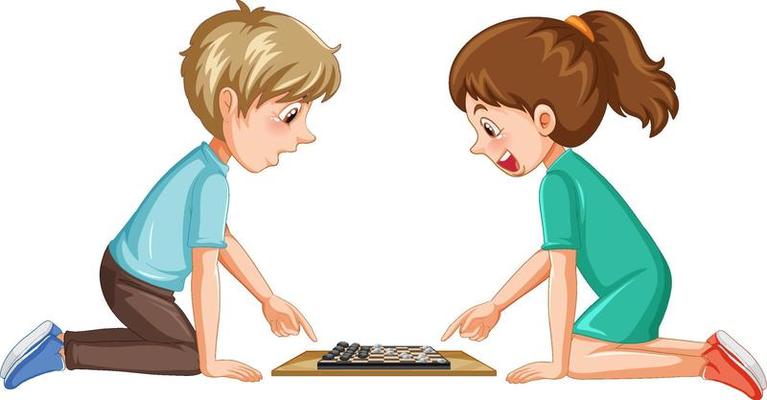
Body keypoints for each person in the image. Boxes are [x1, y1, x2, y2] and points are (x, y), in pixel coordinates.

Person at [1, 1, 340, 389]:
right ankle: (61, 351)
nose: (305, 135)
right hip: (132, 283)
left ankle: (61, 346)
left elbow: (222, 239)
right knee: (187, 356)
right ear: (229, 105)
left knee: (174, 345)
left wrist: (267, 298)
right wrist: (211, 360)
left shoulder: (205, 168)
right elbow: (205, 271)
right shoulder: (210, 180)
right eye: (290, 115)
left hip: (126, 273)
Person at [440, 11, 765, 399]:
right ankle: (711, 353)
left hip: (636, 283)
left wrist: (557, 362)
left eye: (490, 127)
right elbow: (550, 256)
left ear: (543, 119)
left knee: (580, 359)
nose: (479, 146)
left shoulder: (558, 183)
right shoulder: (568, 171)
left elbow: (564, 273)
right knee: (607, 351)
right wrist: (496, 305)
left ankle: (705, 364)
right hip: (644, 277)